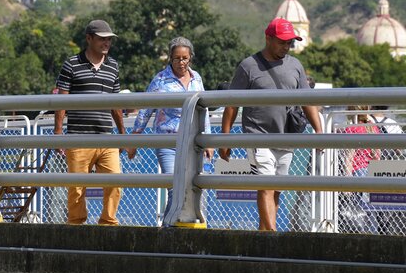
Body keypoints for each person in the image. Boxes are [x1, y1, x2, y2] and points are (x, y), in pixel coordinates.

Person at [219, 18, 322, 231]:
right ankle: (272, 236)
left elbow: (307, 100)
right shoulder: (248, 66)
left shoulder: (295, 65)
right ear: (268, 38)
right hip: (257, 135)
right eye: (282, 42)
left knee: (276, 189)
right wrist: (225, 138)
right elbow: (231, 104)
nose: (286, 46)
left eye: (289, 43)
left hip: (286, 137)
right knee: (265, 185)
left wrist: (319, 131)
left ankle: (264, 234)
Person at [125, 37, 211, 218]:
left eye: (185, 58)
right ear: (170, 59)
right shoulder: (160, 80)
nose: (181, 62)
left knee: (194, 187)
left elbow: (204, 109)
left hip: (193, 141)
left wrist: (208, 140)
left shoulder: (197, 78)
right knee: (175, 186)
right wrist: (134, 140)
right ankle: (169, 226)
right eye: (177, 58)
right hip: (168, 142)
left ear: (190, 58)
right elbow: (145, 111)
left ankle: (186, 224)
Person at [54, 19, 129, 226]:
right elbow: (62, 98)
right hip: (79, 137)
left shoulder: (113, 65)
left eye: (109, 40)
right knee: (77, 188)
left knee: (115, 183)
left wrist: (122, 133)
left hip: (107, 137)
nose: (107, 43)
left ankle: (108, 223)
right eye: (102, 39)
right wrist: (58, 132)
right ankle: (76, 225)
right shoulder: (72, 64)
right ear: (89, 39)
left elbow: (116, 103)